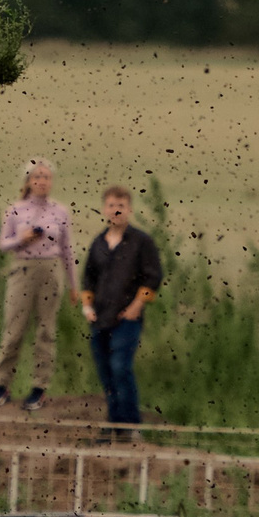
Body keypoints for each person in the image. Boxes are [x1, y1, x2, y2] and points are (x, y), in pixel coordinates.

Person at [0, 159, 74, 412]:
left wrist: (73, 284)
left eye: (46, 177)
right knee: (14, 328)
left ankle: (39, 387)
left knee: (46, 331)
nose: (42, 181)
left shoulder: (60, 211)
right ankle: (1, 384)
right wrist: (21, 238)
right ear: (28, 181)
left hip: (50, 269)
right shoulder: (15, 210)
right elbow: (2, 244)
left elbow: (67, 250)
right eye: (37, 177)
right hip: (22, 269)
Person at [79, 184, 162, 429]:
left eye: (121, 206)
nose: (116, 210)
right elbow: (89, 278)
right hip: (100, 318)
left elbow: (153, 277)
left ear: (129, 209)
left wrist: (138, 305)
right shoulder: (98, 243)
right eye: (112, 205)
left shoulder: (141, 242)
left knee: (120, 367)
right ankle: (114, 424)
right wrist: (87, 306)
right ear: (104, 209)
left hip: (127, 318)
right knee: (105, 371)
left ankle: (130, 424)